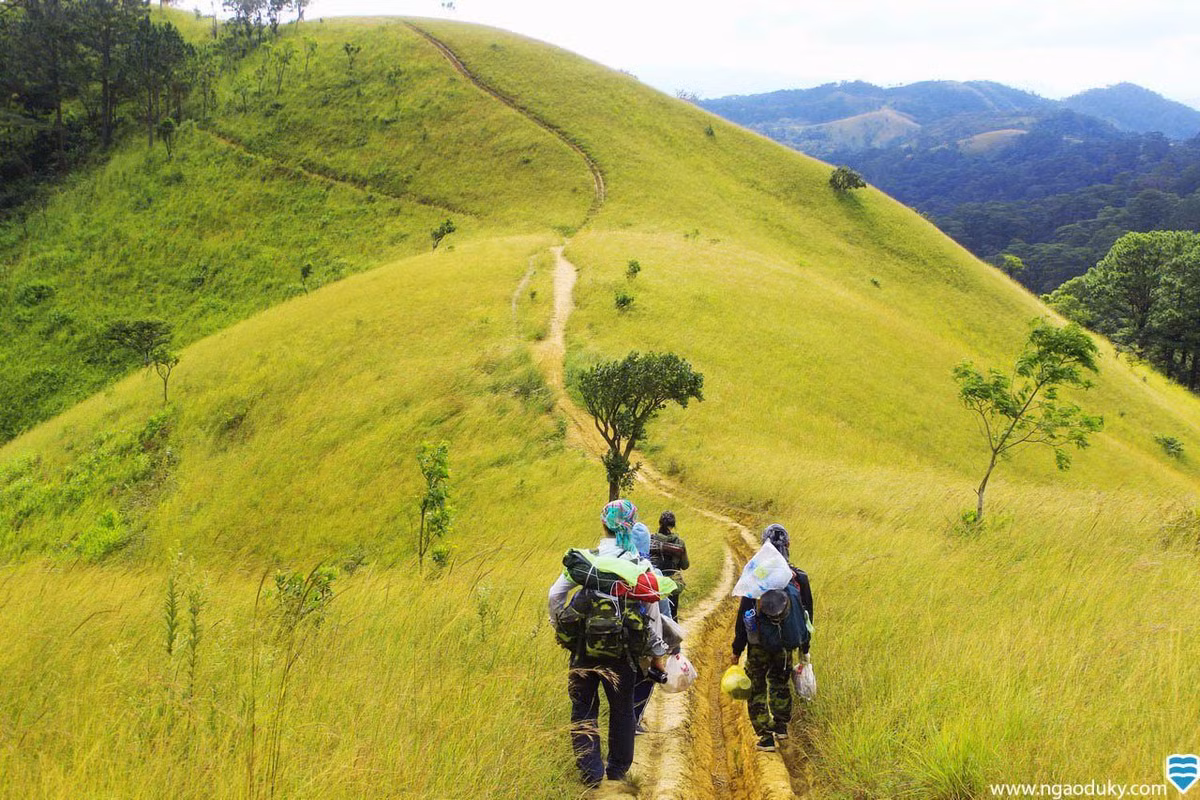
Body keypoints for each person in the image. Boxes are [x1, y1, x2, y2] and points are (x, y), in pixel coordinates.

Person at [548, 500, 670, 788]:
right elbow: (652, 614)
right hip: (624, 653)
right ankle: (617, 770)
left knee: (583, 708)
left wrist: (562, 629)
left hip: (583, 650)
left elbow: (555, 595)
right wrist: (656, 657)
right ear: (631, 525)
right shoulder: (640, 565)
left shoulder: (585, 561)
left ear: (603, 524)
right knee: (622, 708)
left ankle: (590, 772)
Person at [730, 523, 814, 752]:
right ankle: (781, 727)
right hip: (786, 643)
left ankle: (765, 737)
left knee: (756, 687)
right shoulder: (799, 578)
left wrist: (737, 648)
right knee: (780, 682)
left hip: (758, 645)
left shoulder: (757, 575)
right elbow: (807, 616)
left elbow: (744, 615)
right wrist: (804, 647)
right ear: (788, 545)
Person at [650, 511, 690, 619]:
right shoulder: (679, 542)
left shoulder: (651, 539)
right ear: (673, 525)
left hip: (654, 582)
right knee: (672, 615)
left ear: (659, 523)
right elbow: (685, 565)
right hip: (672, 584)